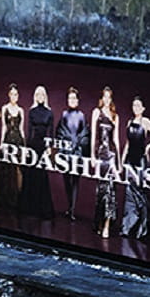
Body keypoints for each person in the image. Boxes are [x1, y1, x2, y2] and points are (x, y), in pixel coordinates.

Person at [119, 95, 150, 241]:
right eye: (134, 105)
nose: (135, 108)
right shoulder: (129, 122)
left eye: (138, 106)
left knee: (141, 193)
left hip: (141, 160)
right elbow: (127, 143)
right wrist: (121, 160)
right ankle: (127, 228)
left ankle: (142, 230)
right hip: (130, 160)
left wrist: (148, 147)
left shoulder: (146, 121)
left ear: (143, 108)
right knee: (129, 193)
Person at [20, 85, 55, 220]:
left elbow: (51, 132)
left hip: (43, 147)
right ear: (35, 96)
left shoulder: (49, 112)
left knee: (42, 177)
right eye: (38, 94)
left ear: (45, 96)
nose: (40, 97)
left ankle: (42, 209)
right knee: (30, 176)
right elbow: (29, 131)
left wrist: (49, 147)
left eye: (42, 94)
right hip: (33, 145)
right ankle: (29, 208)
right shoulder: (32, 111)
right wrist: (27, 148)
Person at [54, 86, 90, 222]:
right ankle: (69, 207)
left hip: (76, 153)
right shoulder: (63, 114)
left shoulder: (81, 116)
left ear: (78, 100)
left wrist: (78, 143)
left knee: (75, 181)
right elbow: (59, 132)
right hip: (65, 152)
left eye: (74, 98)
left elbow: (85, 133)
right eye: (70, 98)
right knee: (66, 180)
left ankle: (73, 210)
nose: (72, 100)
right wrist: (65, 141)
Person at [92, 86, 121, 238]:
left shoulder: (115, 116)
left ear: (111, 99)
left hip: (111, 156)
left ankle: (107, 226)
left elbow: (115, 140)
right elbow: (93, 137)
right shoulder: (96, 112)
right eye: (105, 97)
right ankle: (99, 222)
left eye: (109, 97)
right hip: (100, 155)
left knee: (111, 191)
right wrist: (92, 156)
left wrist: (119, 162)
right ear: (102, 98)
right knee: (100, 191)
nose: (107, 100)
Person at [0, 83, 25, 208]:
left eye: (16, 94)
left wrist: (24, 145)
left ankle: (19, 197)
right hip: (8, 139)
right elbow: (3, 126)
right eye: (12, 94)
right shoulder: (4, 108)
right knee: (6, 168)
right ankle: (6, 197)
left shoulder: (21, 110)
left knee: (18, 169)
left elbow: (22, 128)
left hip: (18, 140)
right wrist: (1, 142)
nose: (14, 97)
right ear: (9, 95)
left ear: (18, 96)